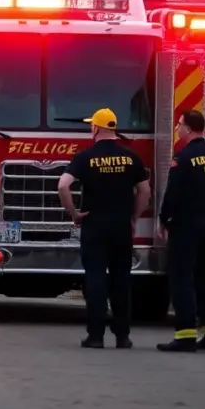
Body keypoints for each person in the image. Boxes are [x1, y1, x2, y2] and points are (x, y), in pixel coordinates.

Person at [56, 108, 151, 349]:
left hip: (94, 225)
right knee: (121, 279)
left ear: (96, 128)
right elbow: (145, 191)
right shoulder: (131, 157)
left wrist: (74, 213)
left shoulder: (85, 157)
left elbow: (63, 186)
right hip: (121, 226)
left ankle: (95, 336)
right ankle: (123, 336)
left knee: (96, 279)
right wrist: (134, 217)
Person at [156, 110, 205, 353]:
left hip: (186, 227)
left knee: (181, 279)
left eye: (179, 125)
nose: (177, 128)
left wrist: (164, 219)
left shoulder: (183, 157)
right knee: (204, 279)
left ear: (188, 129)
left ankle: (185, 335)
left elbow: (173, 193)